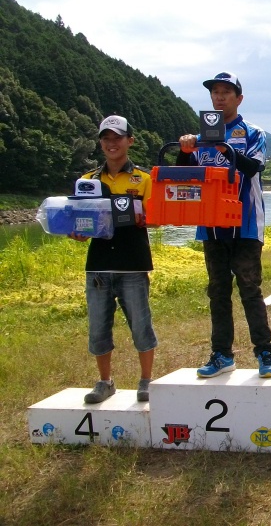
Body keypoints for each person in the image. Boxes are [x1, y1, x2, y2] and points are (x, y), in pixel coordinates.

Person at [178, 71, 271, 378]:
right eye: (215, 92)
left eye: (226, 92)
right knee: (217, 291)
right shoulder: (201, 137)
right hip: (210, 225)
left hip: (245, 224)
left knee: (250, 289)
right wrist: (185, 151)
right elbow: (186, 178)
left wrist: (226, 148)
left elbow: (254, 167)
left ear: (239, 98)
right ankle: (222, 355)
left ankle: (265, 352)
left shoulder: (252, 132)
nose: (219, 97)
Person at [69, 115, 157, 403]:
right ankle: (105, 382)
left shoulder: (145, 179)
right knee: (97, 328)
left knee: (141, 326)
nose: (111, 143)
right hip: (97, 265)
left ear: (129, 141)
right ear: (100, 143)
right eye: (106, 138)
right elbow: (80, 220)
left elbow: (157, 218)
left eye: (117, 137)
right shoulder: (86, 181)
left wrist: (148, 218)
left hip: (133, 263)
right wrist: (76, 232)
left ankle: (146, 381)